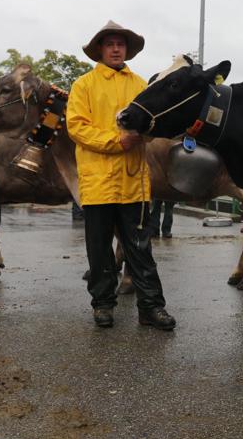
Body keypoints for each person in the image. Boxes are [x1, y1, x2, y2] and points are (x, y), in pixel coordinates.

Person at [67, 20, 176, 330]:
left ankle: (151, 307)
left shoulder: (140, 84)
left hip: (134, 182)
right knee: (100, 250)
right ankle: (103, 304)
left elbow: (152, 123)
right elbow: (77, 127)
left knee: (141, 249)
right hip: (98, 182)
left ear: (127, 49)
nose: (116, 48)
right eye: (110, 43)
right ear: (100, 49)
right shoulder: (83, 85)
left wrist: (149, 133)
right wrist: (118, 141)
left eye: (120, 44)